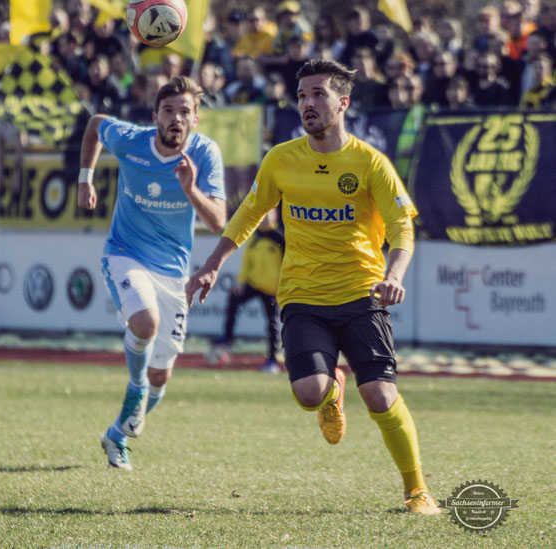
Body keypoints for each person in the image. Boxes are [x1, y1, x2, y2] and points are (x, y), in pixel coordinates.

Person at [186, 58, 441, 515]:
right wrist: (211, 264)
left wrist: (394, 274)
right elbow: (247, 214)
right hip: (303, 295)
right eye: (302, 95)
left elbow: (402, 228)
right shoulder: (281, 159)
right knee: (308, 393)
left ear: (343, 103)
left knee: (381, 396)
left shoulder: (371, 164)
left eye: (318, 94)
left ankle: (417, 490)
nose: (307, 103)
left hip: (363, 294)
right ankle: (329, 393)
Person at [77, 75, 226, 471]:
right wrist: (84, 179)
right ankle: (134, 386)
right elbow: (94, 124)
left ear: (196, 119)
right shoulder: (130, 139)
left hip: (173, 271)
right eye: (168, 110)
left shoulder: (206, 154)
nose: (176, 118)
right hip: (124, 253)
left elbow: (217, 222)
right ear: (155, 115)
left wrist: (191, 189)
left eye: (185, 112)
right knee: (145, 323)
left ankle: (117, 436)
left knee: (162, 376)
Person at [209, 209, 284, 373]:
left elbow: (287, 266)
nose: (264, 219)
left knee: (272, 325)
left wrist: (282, 290)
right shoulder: (255, 236)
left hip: (272, 289)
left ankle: (272, 360)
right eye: (262, 216)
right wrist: (241, 282)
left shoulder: (280, 238)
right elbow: (246, 262)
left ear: (275, 217)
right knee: (233, 299)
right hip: (254, 284)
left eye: (268, 216)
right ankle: (228, 339)